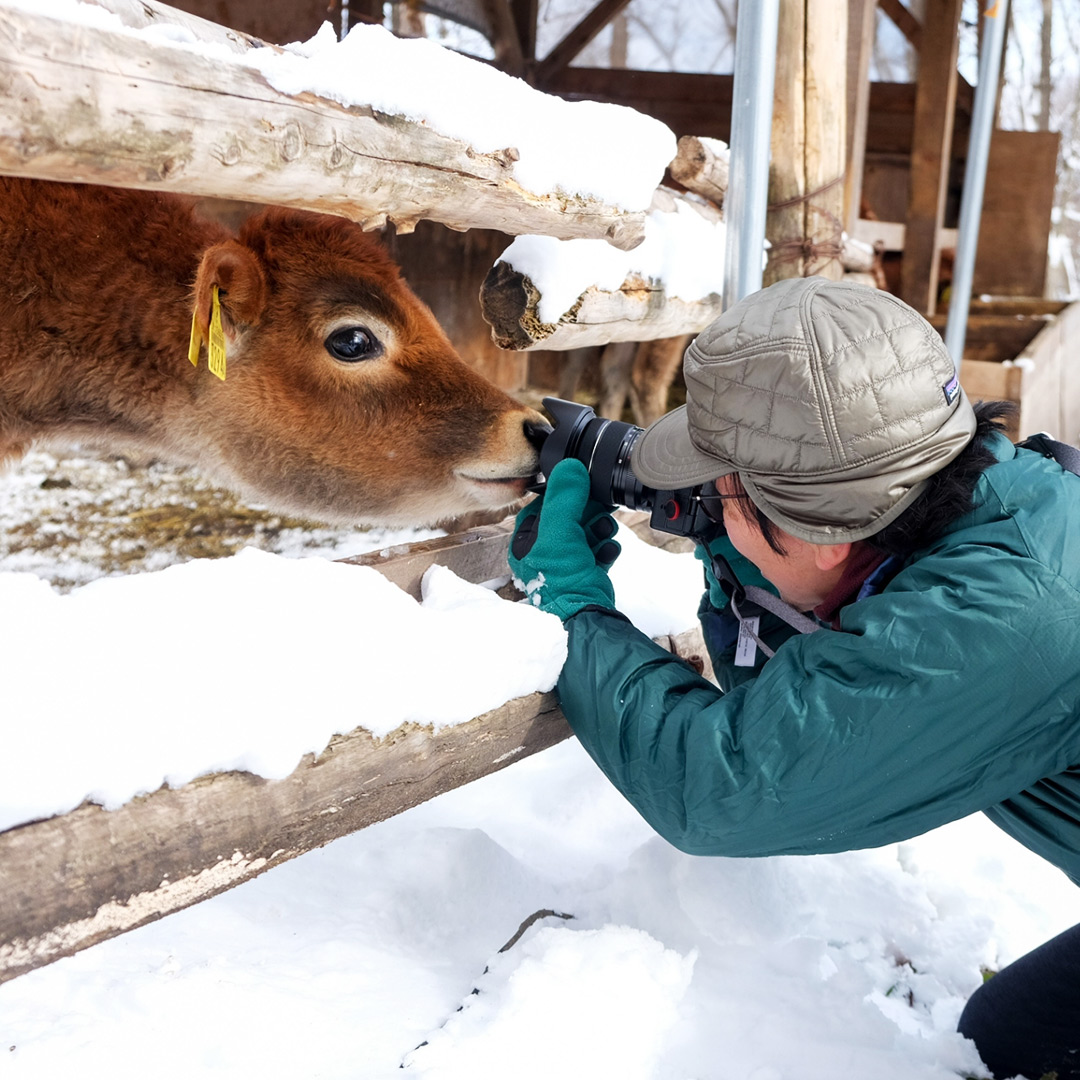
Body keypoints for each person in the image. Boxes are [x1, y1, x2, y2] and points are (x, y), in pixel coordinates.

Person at [508, 276, 1080, 1080]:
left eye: (725, 493)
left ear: (824, 538)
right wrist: (733, 550)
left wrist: (574, 611)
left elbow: (723, 789)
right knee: (1013, 1034)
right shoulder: (996, 494)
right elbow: (799, 708)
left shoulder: (994, 620)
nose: (704, 502)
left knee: (1012, 1044)